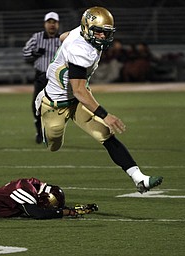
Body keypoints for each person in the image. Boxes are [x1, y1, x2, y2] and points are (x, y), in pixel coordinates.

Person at [35, 7, 163, 194]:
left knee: (105, 133)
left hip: (76, 102)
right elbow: (78, 90)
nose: (103, 36)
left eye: (106, 32)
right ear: (87, 28)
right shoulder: (80, 49)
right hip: (55, 104)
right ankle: (41, 101)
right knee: (54, 144)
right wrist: (106, 114)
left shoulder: (81, 32)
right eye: (99, 32)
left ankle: (140, 178)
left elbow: (63, 36)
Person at [23, 12, 61, 144]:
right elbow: (25, 52)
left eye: (54, 22)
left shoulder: (62, 39)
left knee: (56, 106)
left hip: (57, 78)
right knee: (37, 105)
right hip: (41, 75)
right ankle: (39, 131)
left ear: (58, 24)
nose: (52, 25)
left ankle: (53, 131)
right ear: (45, 24)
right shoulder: (37, 37)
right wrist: (35, 53)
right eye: (49, 22)